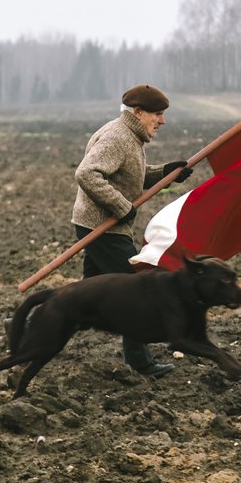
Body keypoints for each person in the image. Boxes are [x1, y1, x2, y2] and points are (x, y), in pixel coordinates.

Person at [71, 83, 193, 378]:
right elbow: (86, 173)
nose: (162, 121)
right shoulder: (118, 137)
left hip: (99, 224)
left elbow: (128, 174)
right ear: (138, 113)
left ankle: (27, 324)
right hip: (103, 228)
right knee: (138, 291)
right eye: (158, 115)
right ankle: (141, 364)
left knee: (84, 299)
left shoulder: (128, 136)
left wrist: (165, 172)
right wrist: (120, 205)